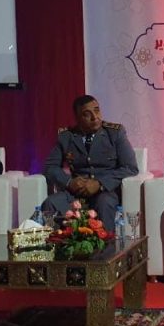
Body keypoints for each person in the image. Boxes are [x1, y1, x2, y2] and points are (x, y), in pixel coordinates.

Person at [42, 95, 138, 230]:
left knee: (104, 203)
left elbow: (130, 168)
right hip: (76, 193)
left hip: (105, 192)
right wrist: (69, 182)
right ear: (77, 118)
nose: (95, 117)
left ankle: (107, 243)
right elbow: (50, 167)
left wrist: (99, 183)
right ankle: (58, 241)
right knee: (51, 203)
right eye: (87, 114)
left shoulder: (115, 133)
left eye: (97, 110)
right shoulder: (66, 136)